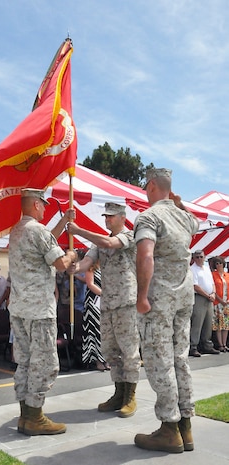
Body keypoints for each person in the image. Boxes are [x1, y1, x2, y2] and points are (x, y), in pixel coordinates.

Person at [133, 168, 199, 454]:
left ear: (149, 186)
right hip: (184, 298)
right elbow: (195, 223)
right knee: (180, 360)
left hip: (159, 300)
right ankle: (186, 426)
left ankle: (169, 430)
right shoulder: (184, 217)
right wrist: (179, 203)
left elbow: (145, 255)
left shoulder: (149, 217)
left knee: (160, 361)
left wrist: (141, 296)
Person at [9, 188, 77, 436]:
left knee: (25, 361)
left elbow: (45, 242)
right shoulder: (37, 231)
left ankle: (25, 416)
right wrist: (71, 254)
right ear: (36, 205)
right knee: (45, 362)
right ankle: (35, 416)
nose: (46, 208)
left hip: (19, 309)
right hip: (39, 309)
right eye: (44, 205)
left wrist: (63, 221)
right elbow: (60, 264)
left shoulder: (17, 231)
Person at [68, 202, 140, 418]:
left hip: (126, 301)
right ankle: (118, 393)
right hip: (107, 303)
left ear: (121, 217)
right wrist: (72, 267)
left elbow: (109, 243)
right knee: (110, 350)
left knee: (129, 350)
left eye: (110, 216)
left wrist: (79, 230)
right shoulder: (99, 243)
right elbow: (88, 262)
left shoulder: (129, 236)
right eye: (105, 216)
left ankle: (130, 396)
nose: (107, 219)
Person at [190, 250, 220, 356]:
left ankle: (207, 345)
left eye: (201, 257)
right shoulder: (192, 269)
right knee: (197, 323)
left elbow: (212, 283)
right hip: (199, 297)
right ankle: (193, 346)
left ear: (204, 257)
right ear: (193, 258)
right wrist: (207, 295)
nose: (199, 259)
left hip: (209, 297)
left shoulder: (207, 269)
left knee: (208, 323)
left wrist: (213, 293)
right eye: (197, 257)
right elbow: (195, 286)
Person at [82, 260, 109, 371]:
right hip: (93, 302)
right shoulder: (91, 267)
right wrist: (104, 294)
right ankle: (97, 360)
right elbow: (90, 283)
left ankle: (106, 359)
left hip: (106, 302)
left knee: (106, 331)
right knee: (96, 330)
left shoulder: (107, 267)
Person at [212, 256, 229, 351]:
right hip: (218, 302)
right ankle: (220, 345)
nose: (218, 265)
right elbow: (213, 289)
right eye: (217, 263)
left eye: (220, 263)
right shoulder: (213, 275)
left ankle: (225, 343)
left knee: (226, 325)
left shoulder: (227, 275)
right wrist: (220, 300)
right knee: (219, 324)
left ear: (223, 264)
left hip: (227, 303)